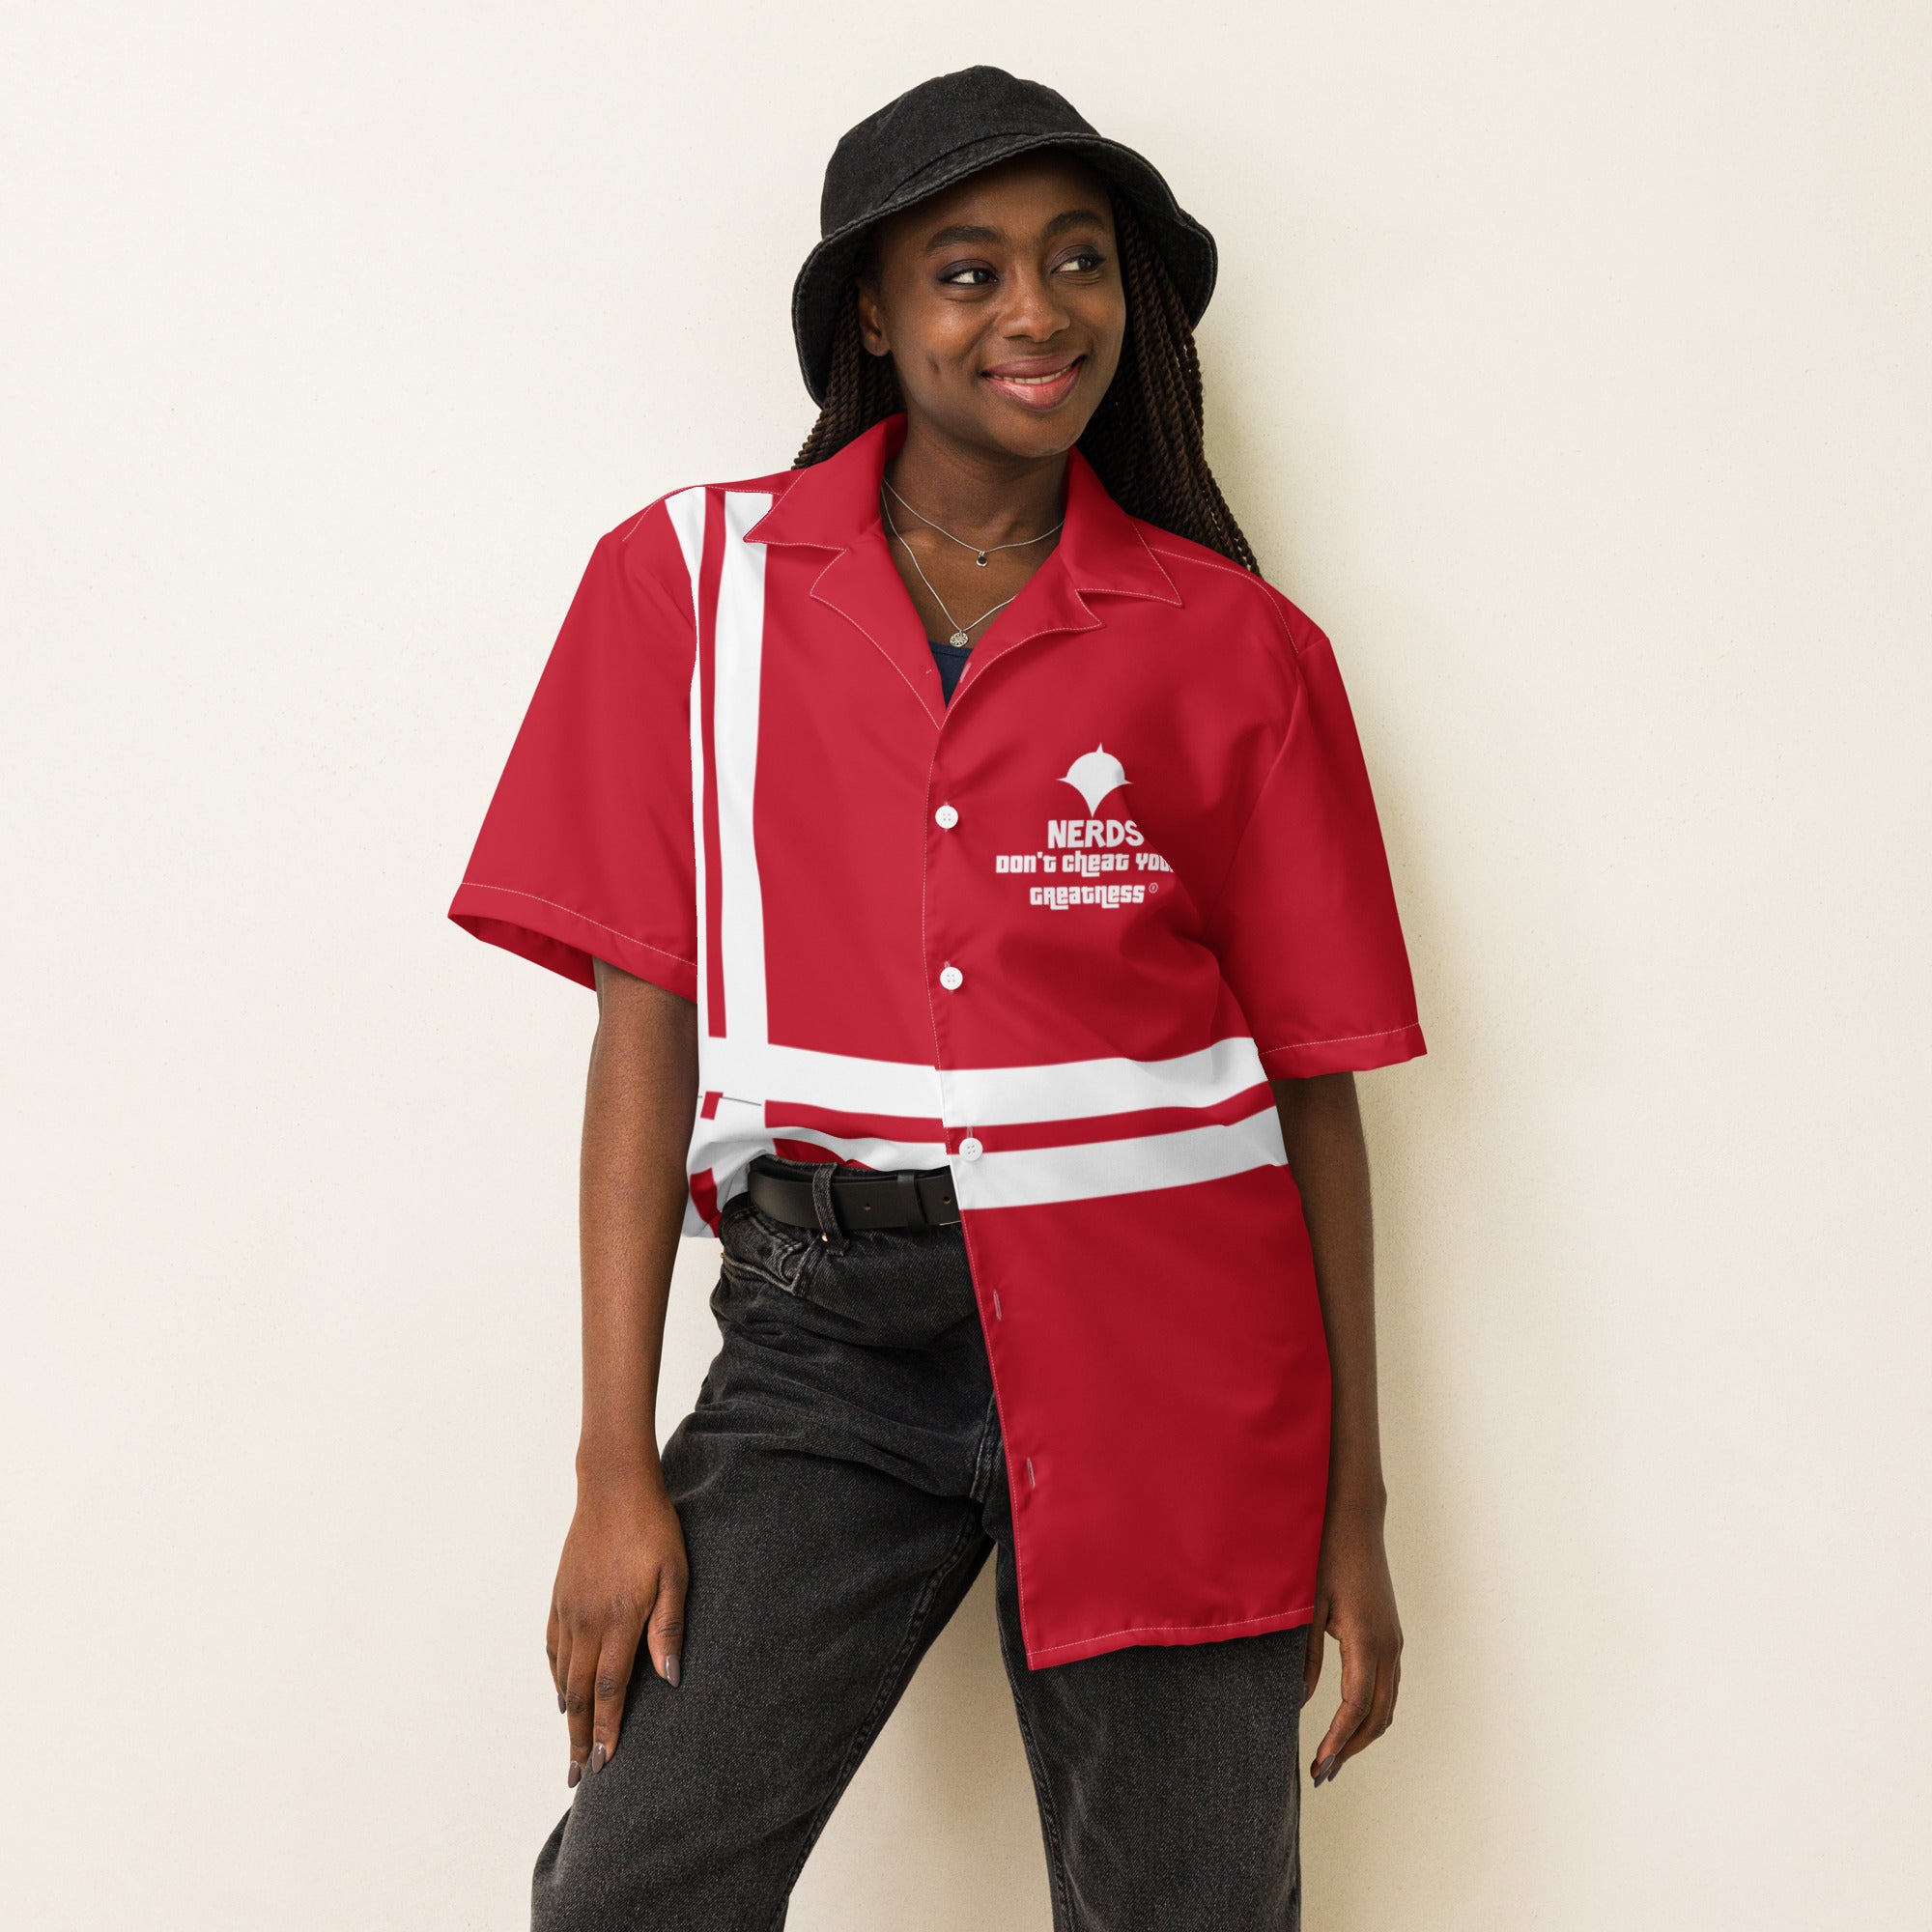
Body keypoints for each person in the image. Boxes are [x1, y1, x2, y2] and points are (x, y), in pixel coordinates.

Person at [450, 64, 1426, 1932]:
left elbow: (1315, 1088)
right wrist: (610, 1464)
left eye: (1079, 260)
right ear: (874, 320)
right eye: (967, 271)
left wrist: (1355, 1507)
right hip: (828, 1342)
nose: (1036, 311)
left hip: (1174, 1356)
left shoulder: (1239, 645)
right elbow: (641, 1027)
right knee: (632, 1890)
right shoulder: (692, 589)